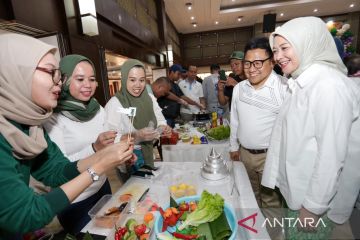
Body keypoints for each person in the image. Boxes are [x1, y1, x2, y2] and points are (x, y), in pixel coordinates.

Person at [0, 32, 134, 239]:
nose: (58, 82)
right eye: (51, 72)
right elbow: (26, 213)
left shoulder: (30, 125)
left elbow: (56, 170)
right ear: (15, 73)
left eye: (59, 75)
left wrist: (106, 155)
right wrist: (98, 166)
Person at [262, 16, 360, 239]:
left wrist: (313, 207)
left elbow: (331, 156)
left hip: (312, 203)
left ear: (308, 42)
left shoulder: (328, 86)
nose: (278, 56)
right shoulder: (301, 82)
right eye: (275, 50)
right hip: (298, 193)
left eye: (285, 48)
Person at [43, 55, 115, 234]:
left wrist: (120, 149)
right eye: (80, 79)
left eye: (92, 79)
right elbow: (60, 168)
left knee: (113, 231)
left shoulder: (96, 108)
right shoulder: (53, 117)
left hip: (102, 185)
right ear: (64, 80)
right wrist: (94, 148)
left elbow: (109, 138)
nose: (88, 85)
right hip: (75, 198)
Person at [105, 59, 171, 169]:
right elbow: (109, 139)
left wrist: (163, 127)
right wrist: (136, 136)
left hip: (150, 151)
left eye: (141, 80)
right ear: (124, 79)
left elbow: (160, 119)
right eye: (132, 80)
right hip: (129, 157)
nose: (138, 85)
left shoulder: (149, 98)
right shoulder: (115, 104)